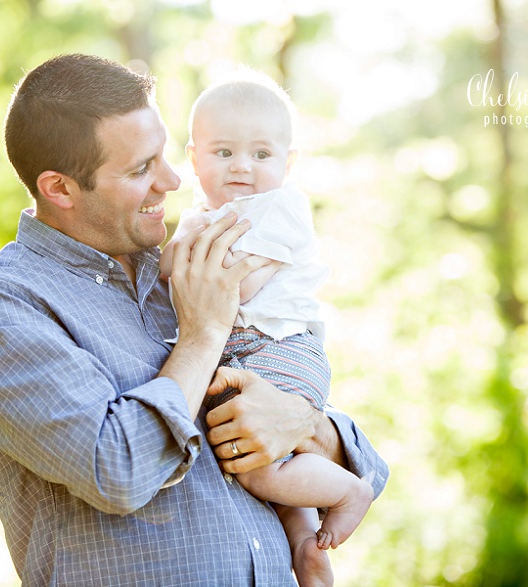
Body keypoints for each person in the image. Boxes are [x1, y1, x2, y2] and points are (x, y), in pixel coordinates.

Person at [0, 53, 389, 587]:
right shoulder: (0, 308)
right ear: (59, 188)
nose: (174, 181)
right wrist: (202, 336)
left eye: (163, 156)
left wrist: (305, 424)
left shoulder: (184, 264)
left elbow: (366, 462)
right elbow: (117, 470)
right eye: (141, 169)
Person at [159, 70, 374, 586]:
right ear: (194, 159)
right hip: (241, 355)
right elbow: (164, 268)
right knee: (261, 460)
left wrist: (195, 270)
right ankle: (304, 544)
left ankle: (351, 491)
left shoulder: (280, 208)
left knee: (251, 463)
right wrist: (179, 257)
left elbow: (238, 288)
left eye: (261, 155)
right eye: (224, 153)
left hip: (279, 347)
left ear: (287, 162)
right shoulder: (196, 216)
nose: (242, 168)